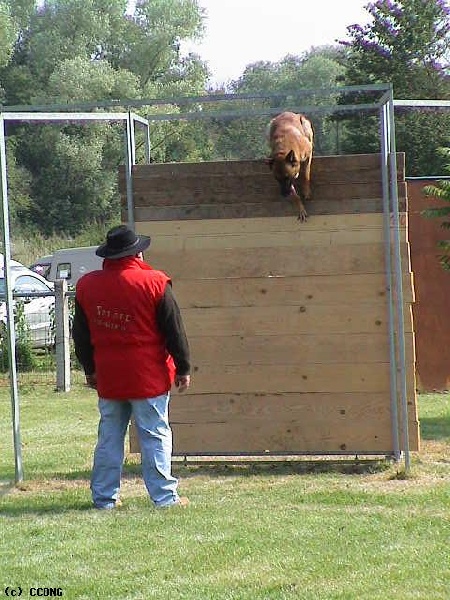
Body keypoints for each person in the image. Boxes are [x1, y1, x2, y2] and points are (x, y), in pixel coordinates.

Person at [72, 224, 191, 510]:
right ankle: (164, 498)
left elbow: (81, 334)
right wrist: (184, 366)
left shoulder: (87, 285)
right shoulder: (155, 282)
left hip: (110, 376)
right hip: (148, 375)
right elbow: (174, 329)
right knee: (154, 434)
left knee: (109, 437)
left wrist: (90, 369)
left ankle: (104, 499)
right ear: (136, 254)